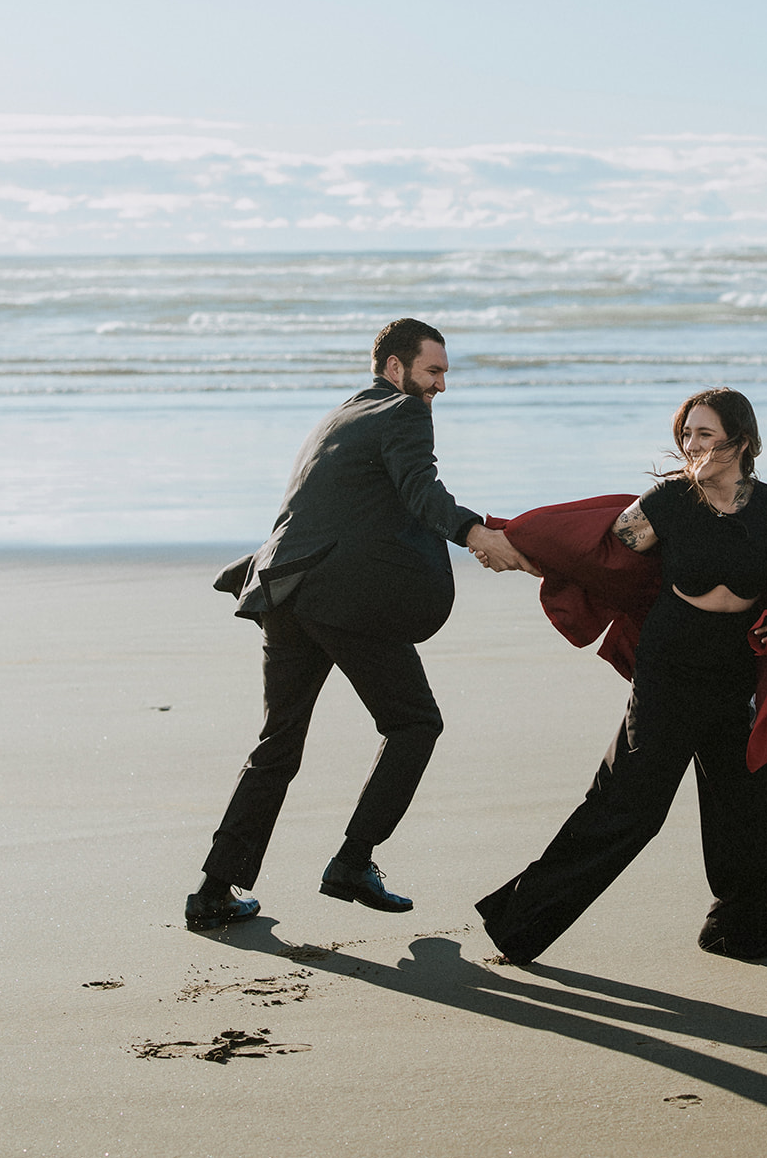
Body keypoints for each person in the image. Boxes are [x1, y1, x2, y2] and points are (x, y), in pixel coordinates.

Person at [474, 387, 767, 965]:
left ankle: (735, 929)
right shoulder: (668, 502)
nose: (691, 445)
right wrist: (524, 546)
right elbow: (598, 551)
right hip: (670, 671)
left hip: (735, 672)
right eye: (686, 434)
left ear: (741, 441)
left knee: (758, 805)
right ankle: (518, 925)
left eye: (704, 434)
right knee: (629, 809)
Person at [185, 317, 535, 932]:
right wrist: (476, 533)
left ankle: (213, 890)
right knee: (415, 723)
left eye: (445, 373)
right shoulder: (402, 413)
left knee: (277, 744)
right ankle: (353, 860)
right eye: (433, 371)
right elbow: (421, 490)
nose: (442, 386)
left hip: (284, 591)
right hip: (336, 598)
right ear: (395, 368)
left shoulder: (342, 414)